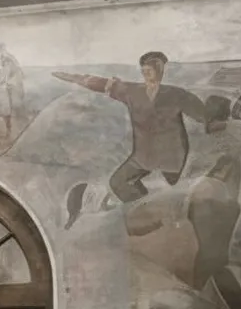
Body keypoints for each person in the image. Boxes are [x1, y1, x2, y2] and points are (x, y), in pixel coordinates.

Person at [54, 51, 228, 206]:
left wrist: (220, 120)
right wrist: (74, 78)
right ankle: (141, 205)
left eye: (154, 69)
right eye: (145, 69)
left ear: (161, 70)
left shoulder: (177, 95)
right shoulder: (132, 91)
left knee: (173, 192)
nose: (149, 73)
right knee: (118, 182)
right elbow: (102, 84)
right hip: (143, 155)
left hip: (171, 157)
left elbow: (204, 117)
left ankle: (155, 208)